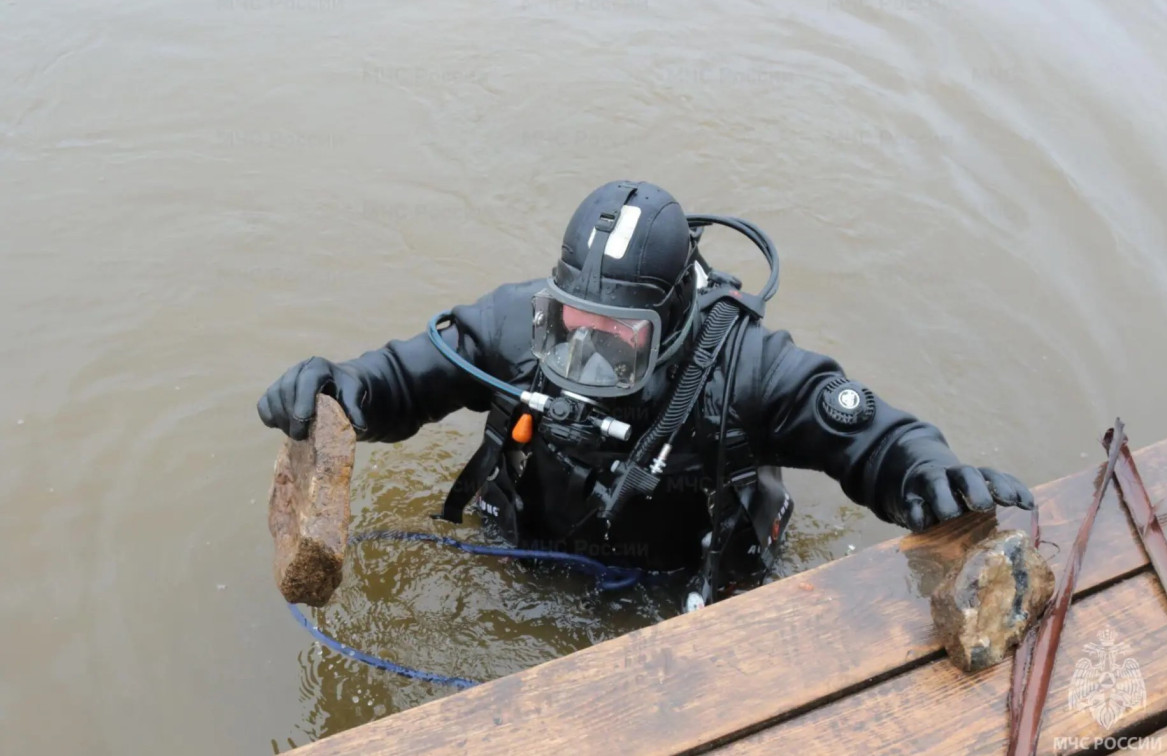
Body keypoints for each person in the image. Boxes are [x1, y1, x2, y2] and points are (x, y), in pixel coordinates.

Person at [258, 180, 1034, 610]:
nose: (581, 354)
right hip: (524, 554)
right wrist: (338, 387)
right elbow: (397, 380)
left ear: (671, 321)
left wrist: (929, 479)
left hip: (685, 586)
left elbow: (876, 441)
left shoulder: (749, 372)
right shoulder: (514, 326)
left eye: (615, 336)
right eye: (568, 326)